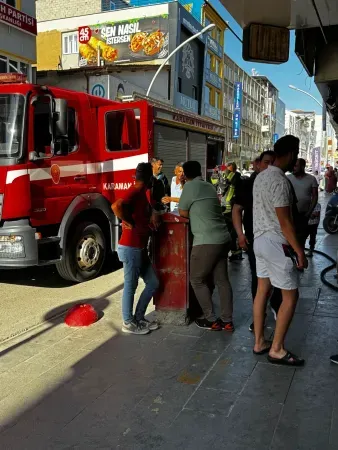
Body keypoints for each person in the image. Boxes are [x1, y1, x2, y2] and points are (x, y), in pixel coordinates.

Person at [252, 135, 308, 366]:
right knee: (291, 295)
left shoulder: (260, 177)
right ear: (292, 154)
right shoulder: (281, 182)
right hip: (277, 243)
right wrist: (300, 252)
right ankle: (277, 349)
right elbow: (285, 221)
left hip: (259, 241)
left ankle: (259, 342)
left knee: (262, 290)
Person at [179, 161, 234, 331]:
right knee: (222, 281)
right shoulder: (209, 186)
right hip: (223, 238)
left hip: (206, 240)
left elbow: (182, 212)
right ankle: (227, 321)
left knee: (196, 279)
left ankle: (211, 319)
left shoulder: (189, 187)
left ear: (185, 174)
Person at [232, 150, 281, 332]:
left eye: (272, 162)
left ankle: (275, 305)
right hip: (255, 239)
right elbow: (236, 210)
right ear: (258, 163)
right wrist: (240, 235)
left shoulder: (279, 182)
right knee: (258, 279)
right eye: (266, 162)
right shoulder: (248, 184)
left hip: (277, 239)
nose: (269, 166)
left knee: (279, 278)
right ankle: (259, 318)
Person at [112, 163, 160, 335]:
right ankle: (128, 322)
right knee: (130, 286)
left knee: (153, 282)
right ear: (148, 178)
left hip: (140, 247)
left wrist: (152, 213)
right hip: (130, 247)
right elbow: (116, 206)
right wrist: (127, 220)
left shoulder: (142, 193)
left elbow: (146, 210)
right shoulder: (134, 191)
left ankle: (139, 317)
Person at [288, 158, 318, 248]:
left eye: (296, 166)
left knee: (302, 238)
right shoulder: (288, 178)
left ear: (302, 166)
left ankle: (300, 256)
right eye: (293, 165)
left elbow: (315, 196)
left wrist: (309, 212)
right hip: (290, 215)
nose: (293, 168)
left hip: (304, 215)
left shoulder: (311, 179)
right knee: (290, 237)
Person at [221, 162, 243, 261]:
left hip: (232, 208)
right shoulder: (226, 178)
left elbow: (229, 182)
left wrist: (227, 173)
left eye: (228, 170)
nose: (226, 171)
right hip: (225, 207)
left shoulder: (236, 177)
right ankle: (232, 251)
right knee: (228, 231)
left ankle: (236, 252)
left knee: (234, 231)